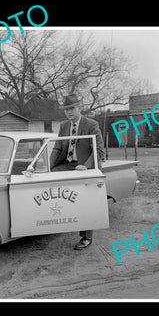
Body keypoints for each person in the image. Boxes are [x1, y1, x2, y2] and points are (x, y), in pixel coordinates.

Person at [50, 93, 104, 250]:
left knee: (85, 199)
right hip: (67, 164)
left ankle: (86, 237)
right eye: (66, 110)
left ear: (79, 108)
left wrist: (86, 166)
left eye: (71, 108)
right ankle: (51, 220)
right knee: (46, 179)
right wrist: (48, 167)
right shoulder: (64, 126)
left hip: (85, 166)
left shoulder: (91, 124)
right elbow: (57, 147)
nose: (68, 112)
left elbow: (99, 150)